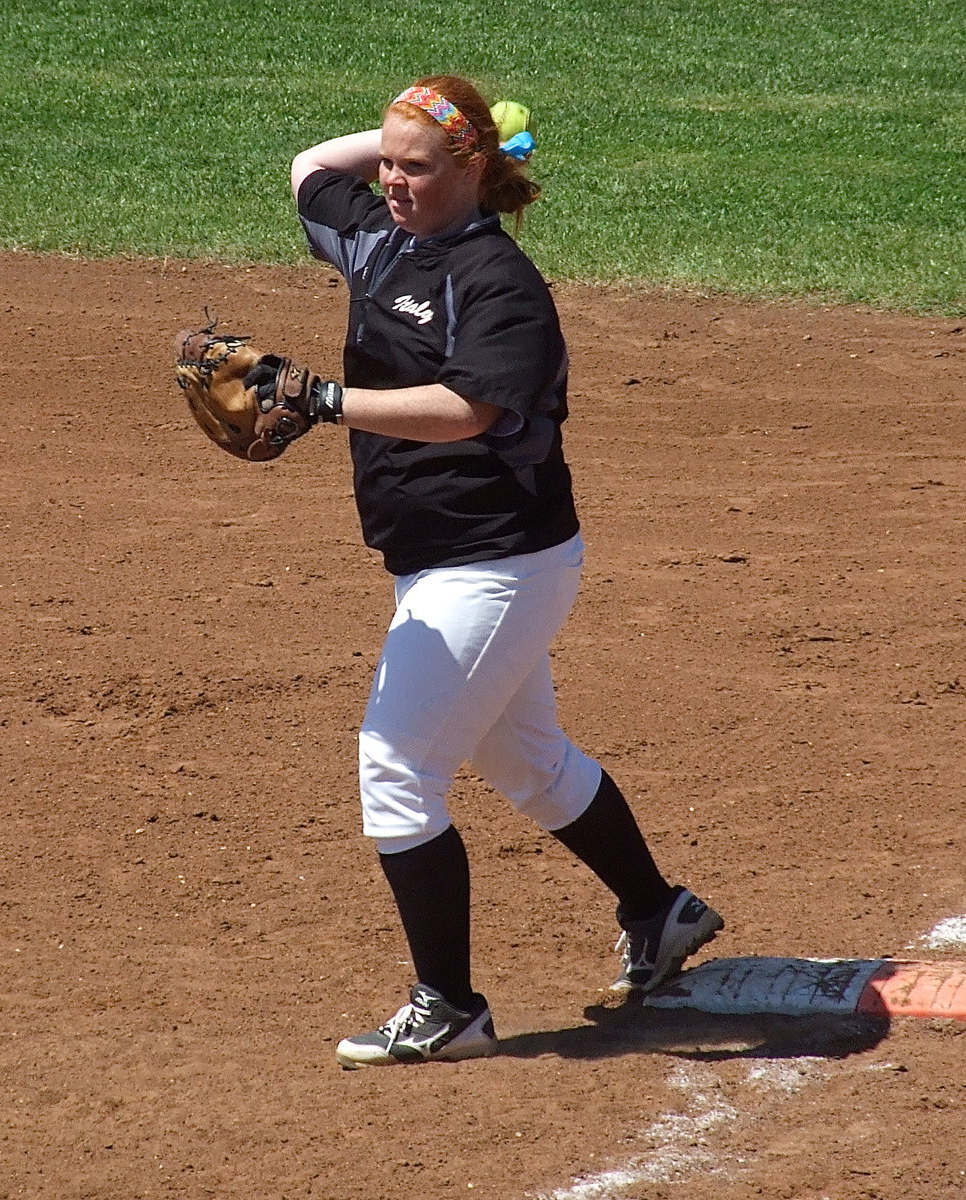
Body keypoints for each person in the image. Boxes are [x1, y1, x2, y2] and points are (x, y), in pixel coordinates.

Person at [277, 75, 723, 1069]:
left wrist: (323, 401)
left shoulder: (497, 284)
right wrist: (418, 121)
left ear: (470, 172)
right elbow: (311, 169)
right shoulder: (374, 236)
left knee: (395, 771)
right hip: (437, 563)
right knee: (528, 761)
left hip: (498, 565)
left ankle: (449, 1007)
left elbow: (466, 409)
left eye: (417, 167)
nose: (390, 181)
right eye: (386, 163)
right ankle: (660, 914)